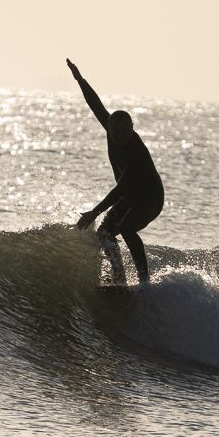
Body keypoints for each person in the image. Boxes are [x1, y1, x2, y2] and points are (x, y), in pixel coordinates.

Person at [67, 58, 165, 284]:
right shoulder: (111, 128)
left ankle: (144, 281)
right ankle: (119, 275)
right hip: (131, 197)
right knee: (104, 234)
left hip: (151, 198)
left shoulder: (136, 152)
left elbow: (120, 188)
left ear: (132, 129)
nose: (119, 136)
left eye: (124, 131)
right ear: (108, 128)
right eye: (115, 131)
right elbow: (96, 105)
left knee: (127, 228)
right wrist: (80, 79)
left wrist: (94, 212)